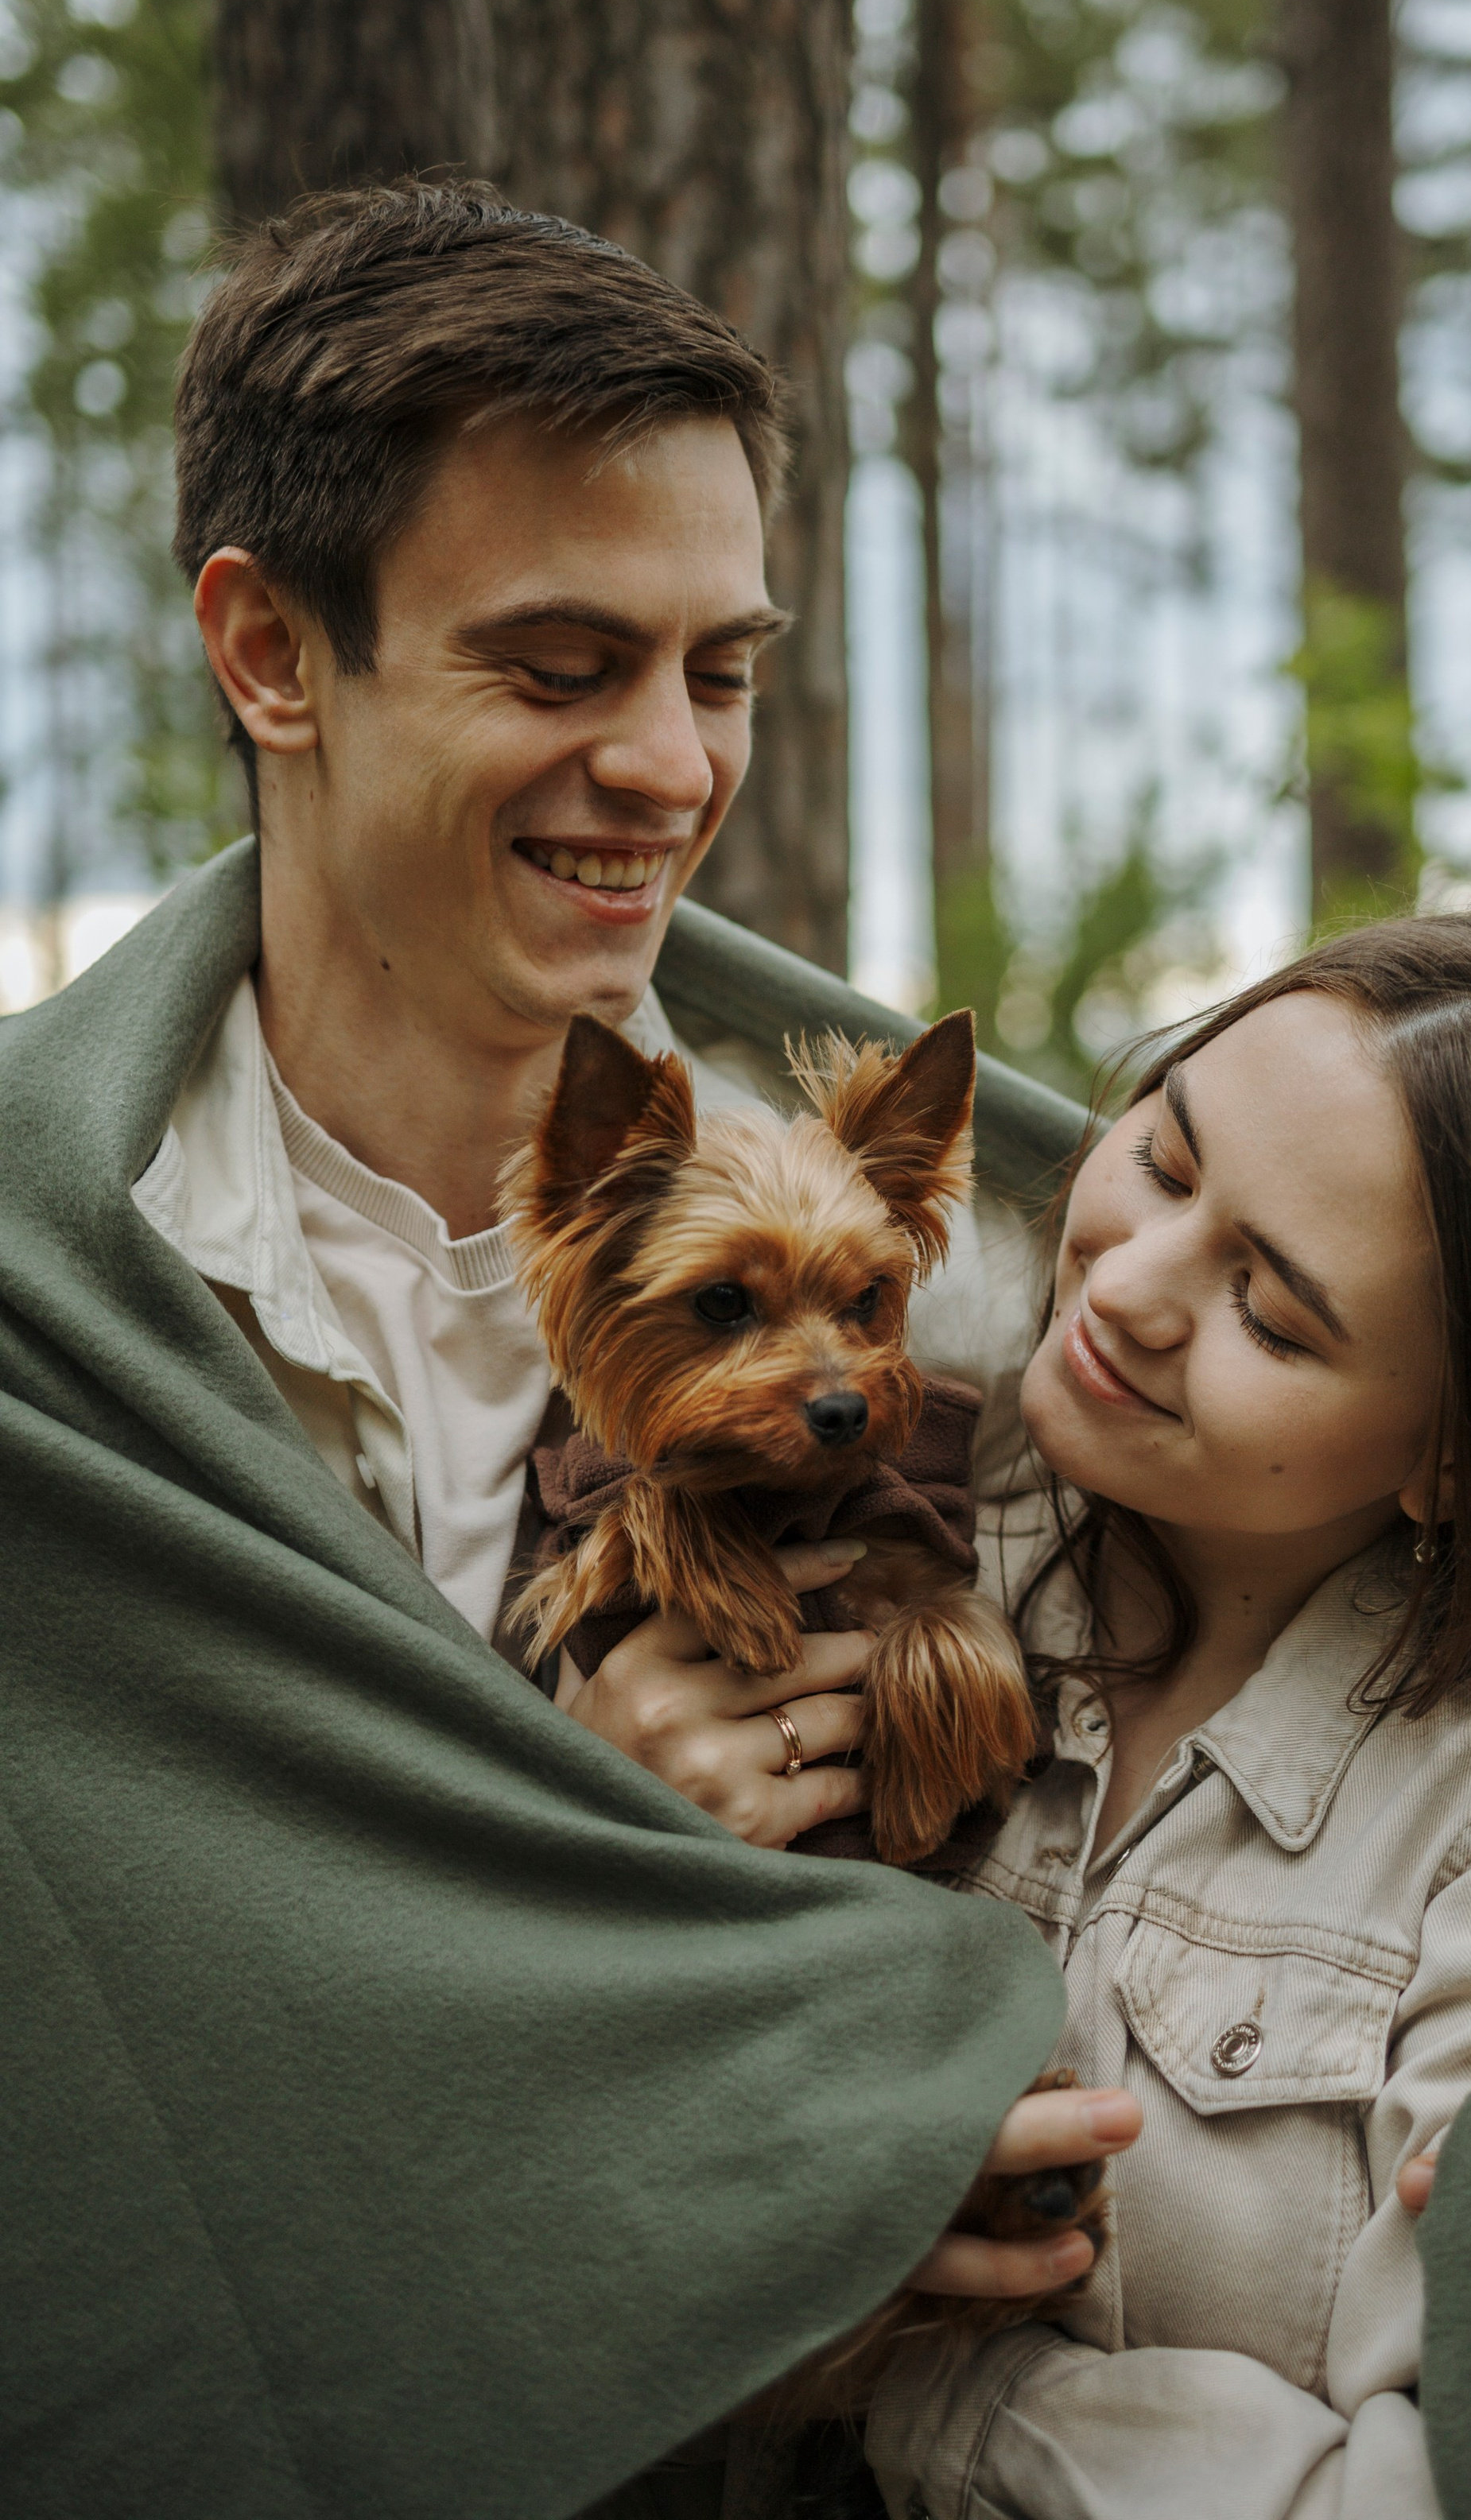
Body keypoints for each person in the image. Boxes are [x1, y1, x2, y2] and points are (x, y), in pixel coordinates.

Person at [0, 180, 1134, 2520]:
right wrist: (603, 1873)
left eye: (716, 670)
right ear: (273, 656)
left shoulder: (999, 1261)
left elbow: (1446, 1680)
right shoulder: (56, 1287)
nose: (666, 768)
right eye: (557, 664)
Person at [652, 924, 1471, 2520]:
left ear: (1461, 1457)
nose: (1129, 1288)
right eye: (1160, 1155)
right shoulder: (866, 1505)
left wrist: (943, 2384)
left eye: (1275, 1316)